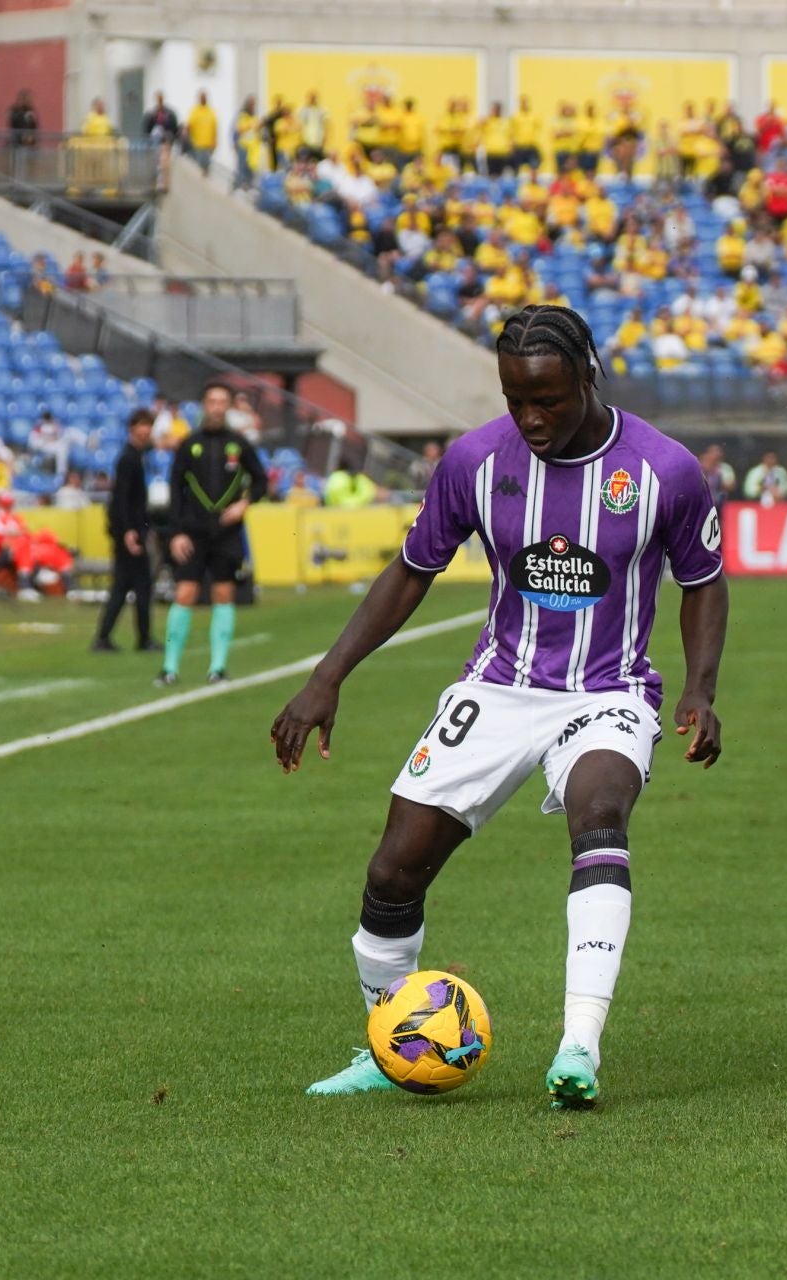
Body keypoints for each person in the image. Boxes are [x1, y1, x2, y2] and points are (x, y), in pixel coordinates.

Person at [273, 304, 729, 1109]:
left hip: (609, 690)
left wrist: (700, 687)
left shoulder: (664, 470)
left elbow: (702, 582)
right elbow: (414, 568)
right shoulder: (476, 461)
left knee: (600, 813)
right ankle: (393, 1043)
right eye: (517, 398)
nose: (531, 416)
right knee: (394, 866)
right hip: (497, 686)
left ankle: (578, 1045)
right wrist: (328, 675)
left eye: (548, 398)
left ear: (587, 376)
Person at [158, 381, 266, 687]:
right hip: (192, 533)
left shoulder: (240, 444)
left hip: (227, 534)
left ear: (228, 407)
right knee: (185, 594)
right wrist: (176, 533)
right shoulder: (189, 444)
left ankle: (217, 668)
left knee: (223, 593)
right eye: (212, 401)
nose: (217, 407)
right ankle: (169, 668)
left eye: (222, 402)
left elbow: (260, 482)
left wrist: (244, 504)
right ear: (204, 405)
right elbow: (175, 490)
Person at [94, 408, 158, 653]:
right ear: (133, 428)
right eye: (142, 425)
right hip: (129, 532)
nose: (146, 431)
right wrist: (129, 531)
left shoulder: (136, 456)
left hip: (129, 530)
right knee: (138, 586)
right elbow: (121, 499)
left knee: (123, 587)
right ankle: (142, 638)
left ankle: (106, 637)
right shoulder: (129, 459)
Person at [185, 92, 218, 172]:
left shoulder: (210, 111)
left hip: (209, 144)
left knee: (207, 165)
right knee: (199, 166)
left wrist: (215, 141)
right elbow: (189, 126)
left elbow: (215, 128)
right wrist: (189, 139)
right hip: (198, 144)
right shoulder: (195, 111)